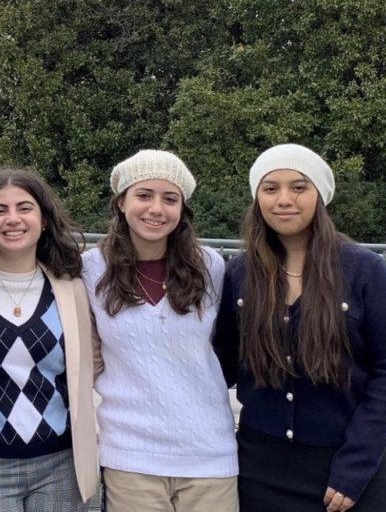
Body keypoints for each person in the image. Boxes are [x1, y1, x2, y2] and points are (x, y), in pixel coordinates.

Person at [213, 144, 386, 512]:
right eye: (270, 188)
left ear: (319, 195)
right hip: (263, 472)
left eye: (299, 187)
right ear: (257, 197)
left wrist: (354, 466)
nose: (284, 199)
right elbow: (221, 362)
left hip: (350, 470)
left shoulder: (365, 271)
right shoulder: (240, 274)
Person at [81, 149, 238, 512]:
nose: (156, 208)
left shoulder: (209, 265)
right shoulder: (90, 269)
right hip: (131, 456)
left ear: (182, 208)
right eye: (144, 195)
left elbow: (223, 347)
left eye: (170, 199)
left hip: (209, 454)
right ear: (121, 202)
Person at [0, 169, 98, 512]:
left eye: (25, 208)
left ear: (44, 220)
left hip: (61, 462)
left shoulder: (72, 287)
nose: (13, 219)